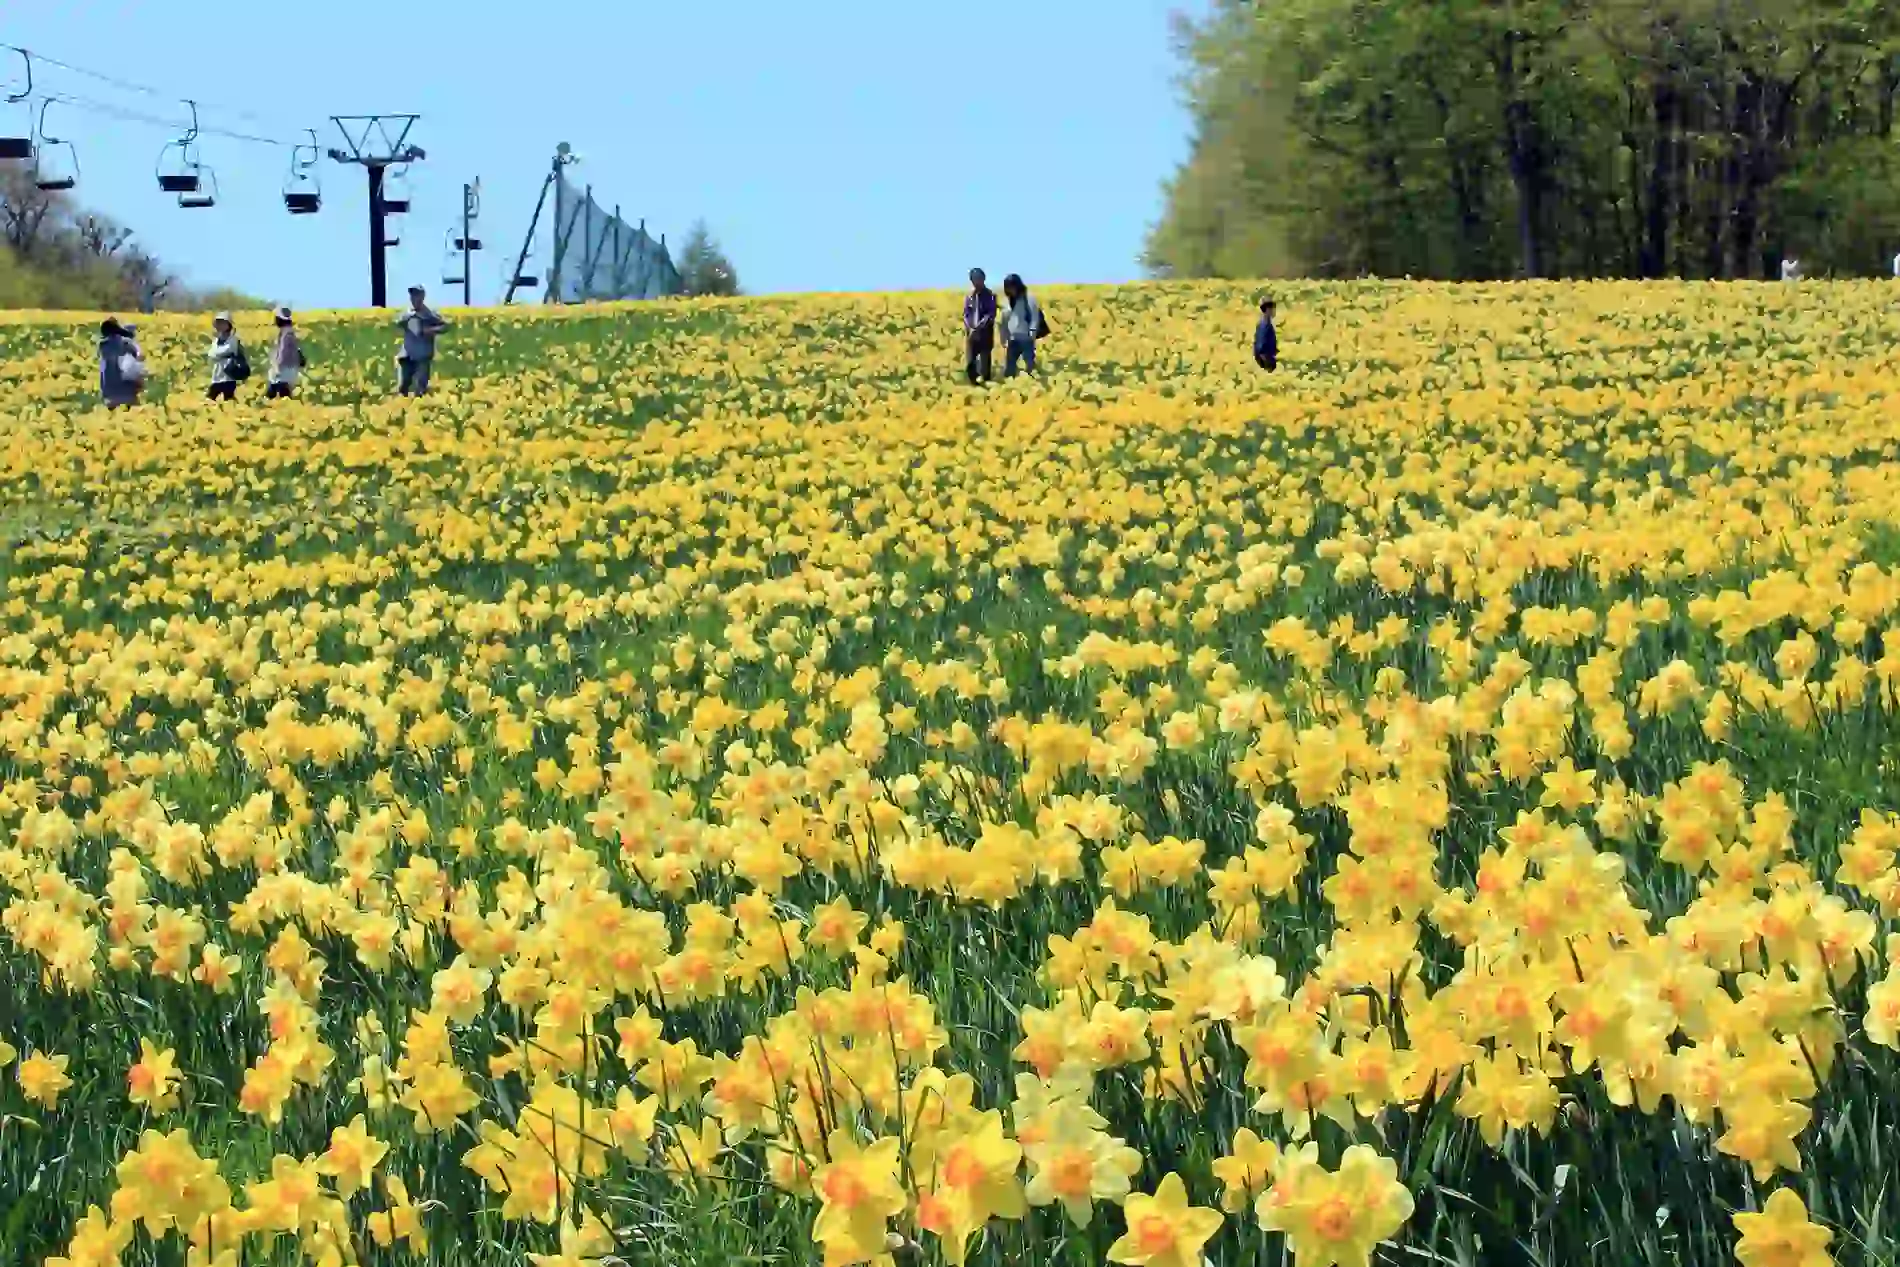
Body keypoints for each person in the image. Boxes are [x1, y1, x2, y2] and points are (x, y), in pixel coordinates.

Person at [397, 285, 448, 396]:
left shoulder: (430, 314)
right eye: (412, 295)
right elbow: (402, 324)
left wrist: (429, 330)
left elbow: (445, 326)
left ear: (422, 297)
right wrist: (416, 327)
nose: (414, 298)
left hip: (422, 355)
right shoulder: (406, 315)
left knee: (420, 386)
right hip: (407, 355)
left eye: (416, 295)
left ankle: (419, 407)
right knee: (403, 385)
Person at [1000, 274, 1044, 377]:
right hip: (1013, 338)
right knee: (1010, 366)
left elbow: (1034, 317)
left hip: (1026, 337)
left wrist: (1032, 333)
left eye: (1012, 287)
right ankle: (1010, 385)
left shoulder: (1028, 298)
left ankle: (1033, 383)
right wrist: (1003, 337)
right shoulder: (1006, 301)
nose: (1011, 290)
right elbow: (1004, 321)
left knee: (1029, 364)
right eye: (1008, 288)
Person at [98, 318, 145, 409]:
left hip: (108, 393)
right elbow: (139, 358)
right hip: (126, 392)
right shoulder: (126, 343)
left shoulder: (102, 345)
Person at [962, 268, 997, 384]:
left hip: (985, 334)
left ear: (983, 279)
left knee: (985, 364)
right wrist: (970, 327)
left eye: (979, 279)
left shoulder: (990, 295)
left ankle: (987, 390)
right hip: (972, 335)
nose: (976, 282)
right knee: (970, 363)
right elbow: (966, 314)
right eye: (974, 280)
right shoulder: (969, 297)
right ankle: (974, 386)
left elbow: (991, 314)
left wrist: (979, 327)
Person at [206, 312, 246, 401]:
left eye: (223, 323)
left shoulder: (233, 339)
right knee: (210, 397)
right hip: (217, 373)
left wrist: (216, 354)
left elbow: (226, 350)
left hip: (229, 374)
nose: (221, 325)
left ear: (229, 325)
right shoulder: (216, 340)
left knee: (228, 399)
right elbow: (211, 353)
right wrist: (216, 354)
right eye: (219, 323)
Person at [267, 306, 303, 400]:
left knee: (281, 395)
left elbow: (283, 352)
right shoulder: (287, 332)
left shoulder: (287, 334)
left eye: (276, 318)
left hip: (284, 370)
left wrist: (276, 367)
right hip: (286, 370)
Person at [1254, 296, 1278, 372]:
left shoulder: (1265, 324)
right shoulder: (1264, 326)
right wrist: (1269, 366)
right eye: (1273, 308)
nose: (1274, 311)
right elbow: (1261, 350)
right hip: (1267, 366)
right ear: (1267, 310)